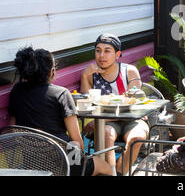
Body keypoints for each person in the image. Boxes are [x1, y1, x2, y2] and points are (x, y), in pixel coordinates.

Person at [7, 46, 113, 176]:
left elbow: (12, 129)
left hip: (31, 162)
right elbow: (78, 142)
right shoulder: (61, 93)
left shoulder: (16, 91)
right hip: (65, 161)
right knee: (107, 169)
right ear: (51, 72)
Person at [80, 33, 147, 175]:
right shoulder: (92, 74)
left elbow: (136, 106)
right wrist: (84, 77)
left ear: (118, 54)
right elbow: (87, 104)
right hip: (108, 123)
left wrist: (102, 119)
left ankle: (120, 171)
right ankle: (109, 172)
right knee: (105, 133)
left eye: (107, 51)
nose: (101, 55)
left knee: (137, 137)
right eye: (98, 50)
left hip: (133, 119)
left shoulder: (128, 71)